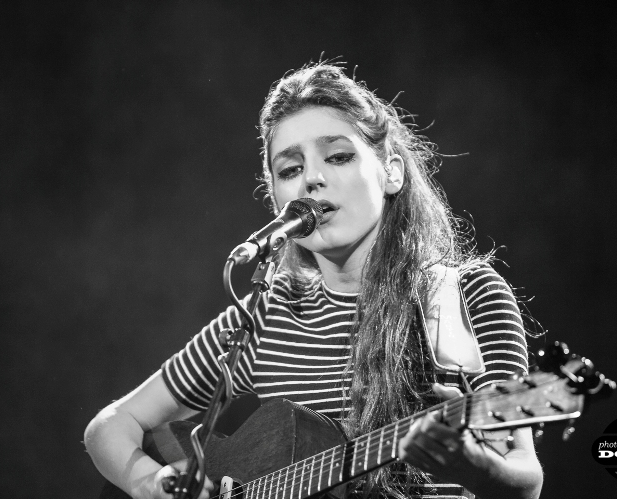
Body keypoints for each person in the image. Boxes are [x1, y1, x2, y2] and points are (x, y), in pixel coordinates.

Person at [84, 62, 544, 499]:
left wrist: (468, 464)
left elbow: (525, 482)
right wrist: (149, 482)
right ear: (277, 199)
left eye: (338, 156)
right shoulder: (266, 314)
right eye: (290, 169)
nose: (312, 180)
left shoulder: (463, 295)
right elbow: (111, 425)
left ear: (391, 172)